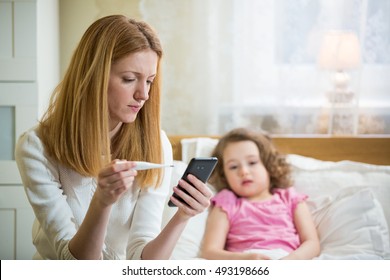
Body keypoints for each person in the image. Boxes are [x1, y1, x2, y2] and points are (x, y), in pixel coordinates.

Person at [15, 15, 212, 260]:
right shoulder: (36, 147)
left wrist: (182, 216)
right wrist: (102, 201)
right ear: (93, 76)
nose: (144, 95)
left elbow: (143, 261)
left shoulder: (155, 143)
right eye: (129, 79)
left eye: (149, 81)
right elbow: (73, 262)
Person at [200, 128, 320, 260]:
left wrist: (291, 261)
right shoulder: (226, 202)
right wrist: (246, 259)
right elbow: (210, 251)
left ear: (268, 165)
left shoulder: (290, 198)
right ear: (224, 176)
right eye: (233, 166)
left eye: (252, 162)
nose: (244, 171)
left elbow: (312, 243)